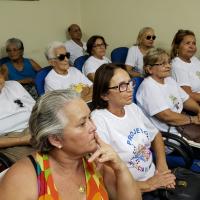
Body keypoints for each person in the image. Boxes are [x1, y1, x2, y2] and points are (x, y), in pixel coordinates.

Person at [0, 89, 142, 200]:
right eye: (82, 124)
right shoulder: (23, 178)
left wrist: (120, 167)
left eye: (90, 118)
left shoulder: (96, 161)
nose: (93, 127)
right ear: (56, 139)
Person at [91, 63, 176, 199]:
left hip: (156, 177)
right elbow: (109, 179)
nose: (130, 89)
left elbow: (156, 135)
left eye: (130, 83)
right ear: (104, 95)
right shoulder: (98, 121)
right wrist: (148, 184)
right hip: (135, 191)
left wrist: (162, 166)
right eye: (122, 86)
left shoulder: (131, 108)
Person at [136, 48, 200, 145]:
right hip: (172, 137)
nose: (168, 66)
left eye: (169, 62)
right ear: (149, 69)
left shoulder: (169, 80)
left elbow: (186, 100)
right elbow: (167, 116)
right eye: (162, 64)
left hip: (185, 126)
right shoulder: (148, 87)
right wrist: (193, 119)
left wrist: (199, 110)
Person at [0, 72, 35, 162]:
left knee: (64, 145)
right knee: (37, 161)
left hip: (33, 125)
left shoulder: (14, 85)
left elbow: (36, 108)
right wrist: (22, 140)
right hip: (8, 138)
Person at [171, 29, 200, 104]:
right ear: (177, 47)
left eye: (194, 43)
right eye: (187, 43)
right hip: (194, 105)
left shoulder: (194, 59)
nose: (192, 46)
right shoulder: (177, 64)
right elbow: (188, 95)